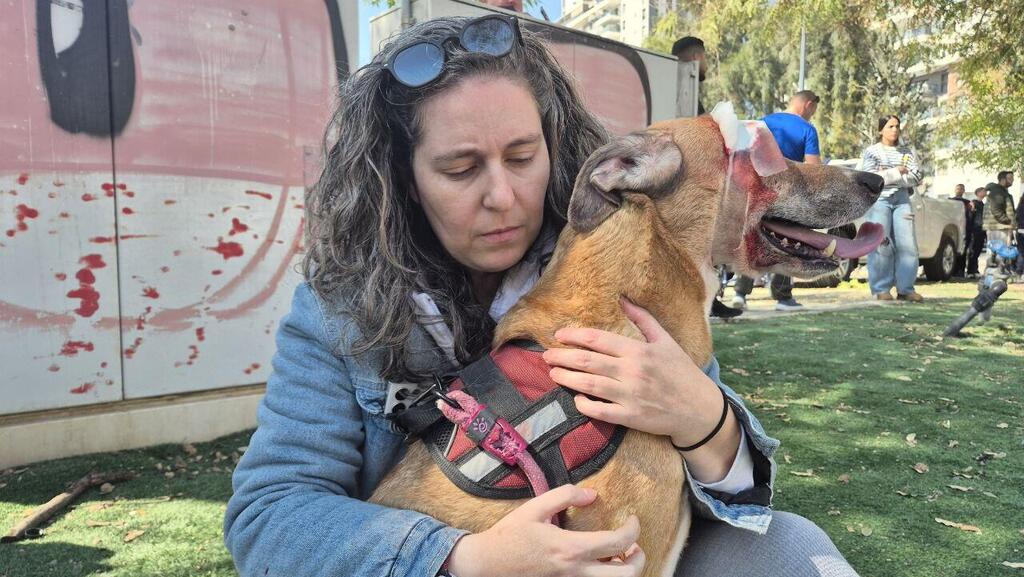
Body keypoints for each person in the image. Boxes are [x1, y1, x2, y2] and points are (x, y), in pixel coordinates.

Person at [223, 16, 859, 577]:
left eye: (523, 157)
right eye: (460, 169)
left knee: (794, 549)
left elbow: (731, 495)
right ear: (405, 180)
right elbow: (268, 516)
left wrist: (707, 421)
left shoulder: (623, 258)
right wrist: (465, 559)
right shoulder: (336, 311)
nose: (502, 197)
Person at [732, 90, 822, 312]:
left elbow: (743, 154)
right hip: (788, 193)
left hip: (757, 190)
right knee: (789, 241)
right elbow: (814, 168)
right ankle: (783, 298)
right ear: (808, 105)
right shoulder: (807, 129)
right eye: (814, 109)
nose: (813, 114)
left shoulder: (763, 122)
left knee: (751, 238)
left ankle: (740, 294)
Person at [672, 35, 742, 319]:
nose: (707, 66)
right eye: (705, 59)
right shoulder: (683, 85)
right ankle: (707, 302)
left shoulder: (678, 85)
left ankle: (709, 301)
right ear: (696, 57)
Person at [860, 115, 924, 301]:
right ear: (881, 130)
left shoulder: (907, 152)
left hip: (902, 200)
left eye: (897, 126)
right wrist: (897, 171)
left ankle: (906, 290)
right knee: (881, 243)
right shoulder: (872, 152)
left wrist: (887, 174)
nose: (895, 130)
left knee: (908, 245)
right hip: (879, 201)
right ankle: (881, 289)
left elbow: (917, 176)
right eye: (890, 126)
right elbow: (871, 177)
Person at [983, 171, 1018, 274]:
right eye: (1010, 178)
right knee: (999, 251)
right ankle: (995, 274)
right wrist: (1008, 221)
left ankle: (998, 272)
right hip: (998, 226)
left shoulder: (1002, 191)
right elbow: (996, 210)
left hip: (1000, 226)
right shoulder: (998, 192)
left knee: (998, 251)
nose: (1012, 180)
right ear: (1002, 179)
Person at [948, 183, 974, 277]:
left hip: (965, 229)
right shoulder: (950, 201)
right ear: (955, 190)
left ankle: (960, 271)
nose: (959, 190)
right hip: (953, 228)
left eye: (961, 189)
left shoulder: (967, 203)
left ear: (964, 191)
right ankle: (951, 270)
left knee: (963, 251)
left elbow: (970, 216)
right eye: (958, 188)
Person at [967, 187, 987, 277]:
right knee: (973, 250)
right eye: (983, 191)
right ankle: (971, 271)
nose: (985, 192)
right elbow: (971, 216)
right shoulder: (974, 203)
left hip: (981, 229)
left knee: (978, 250)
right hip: (975, 229)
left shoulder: (983, 204)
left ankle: (975, 269)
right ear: (978, 193)